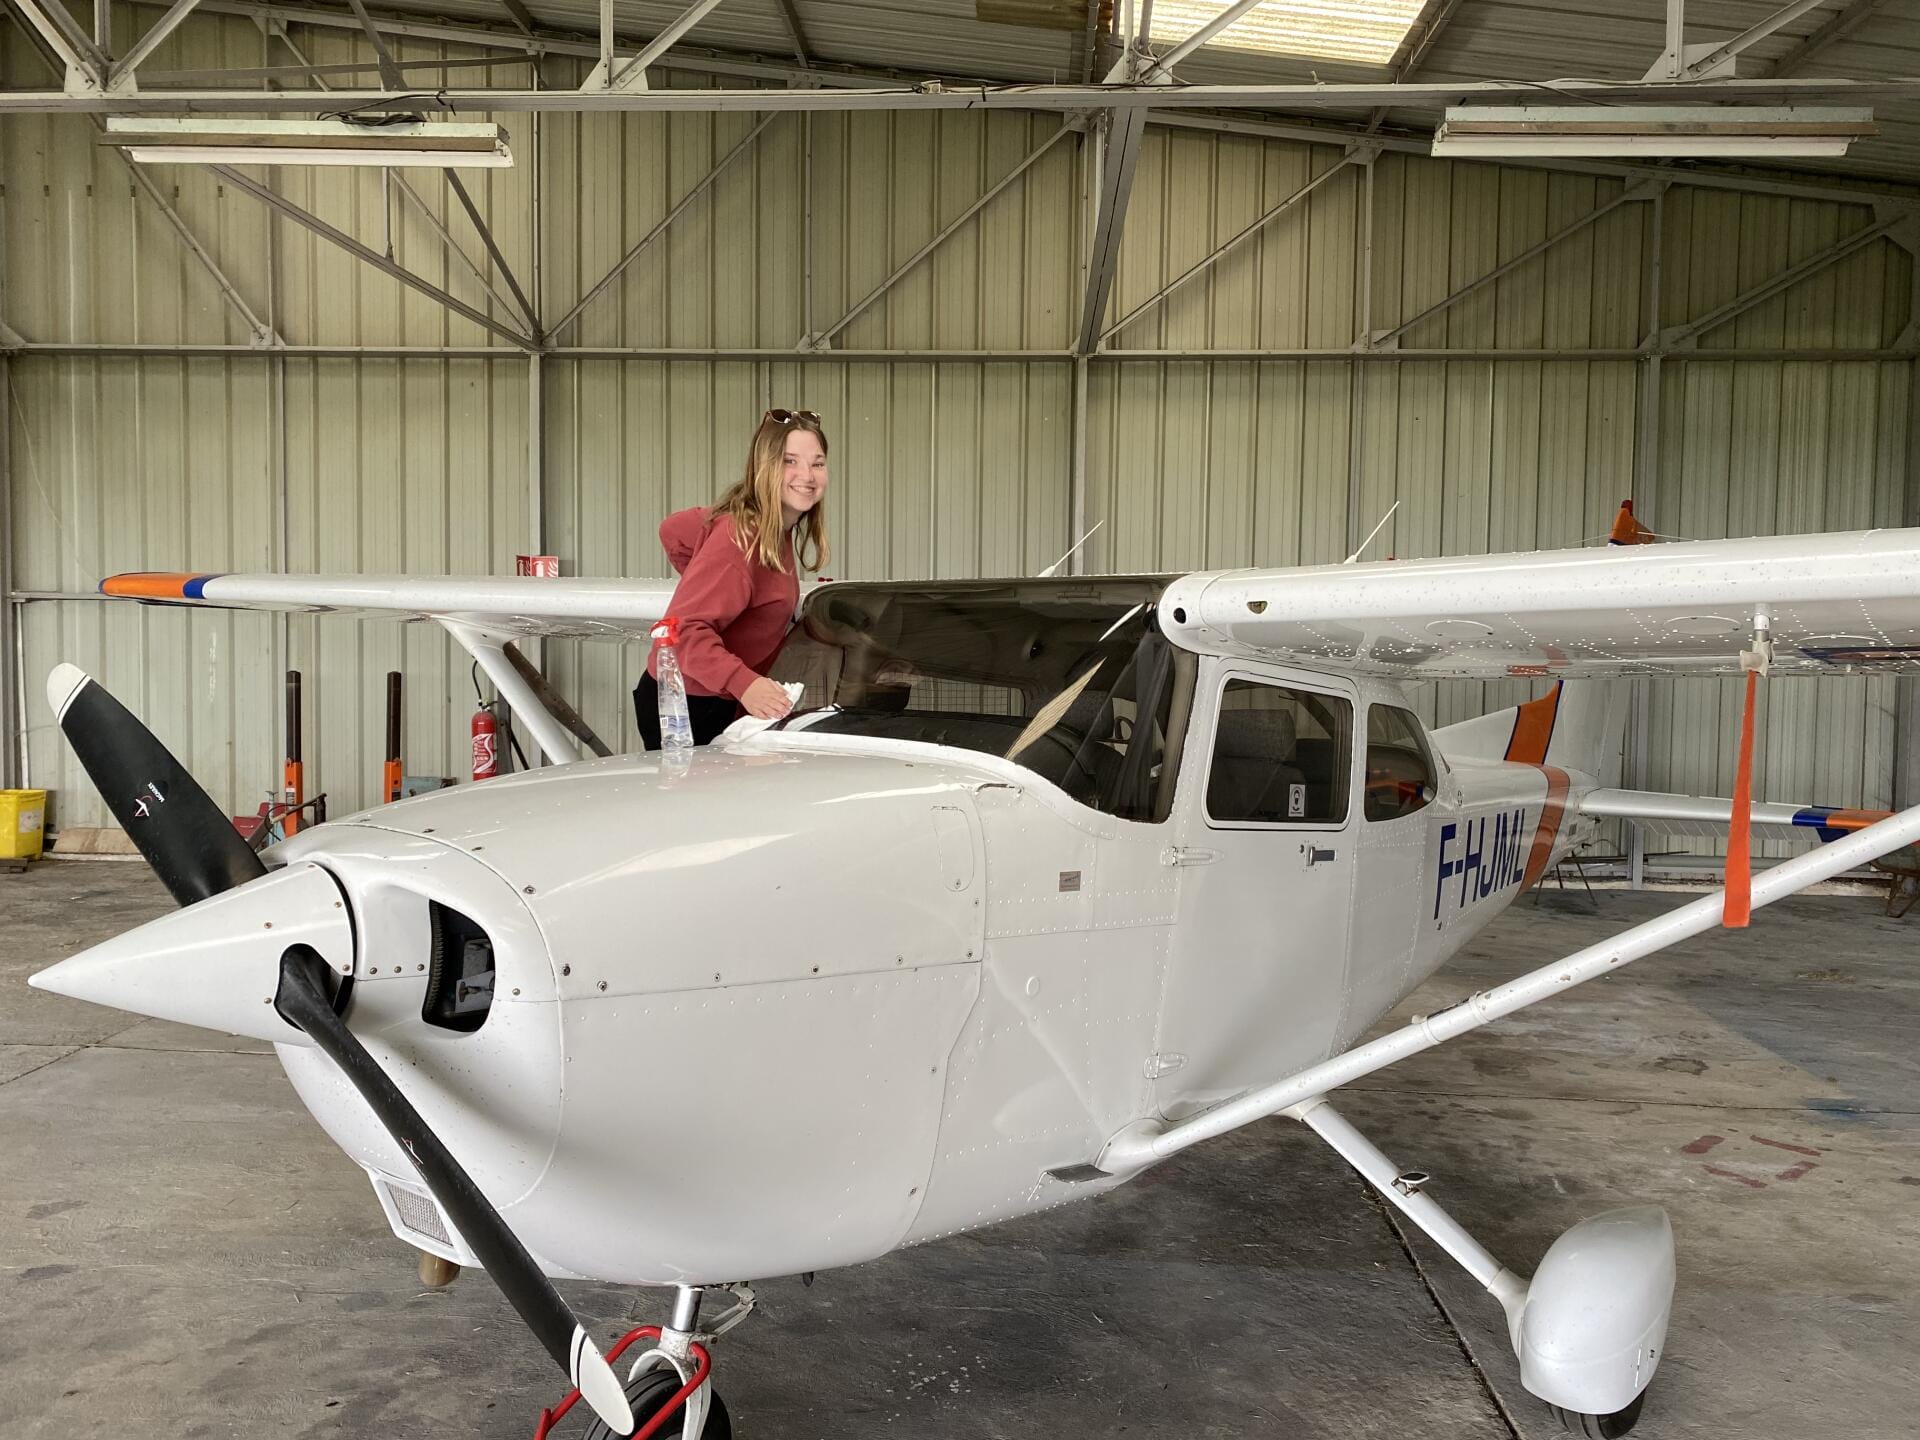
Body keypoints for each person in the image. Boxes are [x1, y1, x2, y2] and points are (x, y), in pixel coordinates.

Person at [634, 407, 831, 748]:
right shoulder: (741, 539)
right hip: (688, 707)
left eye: (817, 463)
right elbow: (682, 633)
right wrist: (744, 682)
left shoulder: (767, 526)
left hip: (720, 696)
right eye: (790, 461)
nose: (807, 475)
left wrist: (712, 582)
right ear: (764, 466)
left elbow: (674, 529)